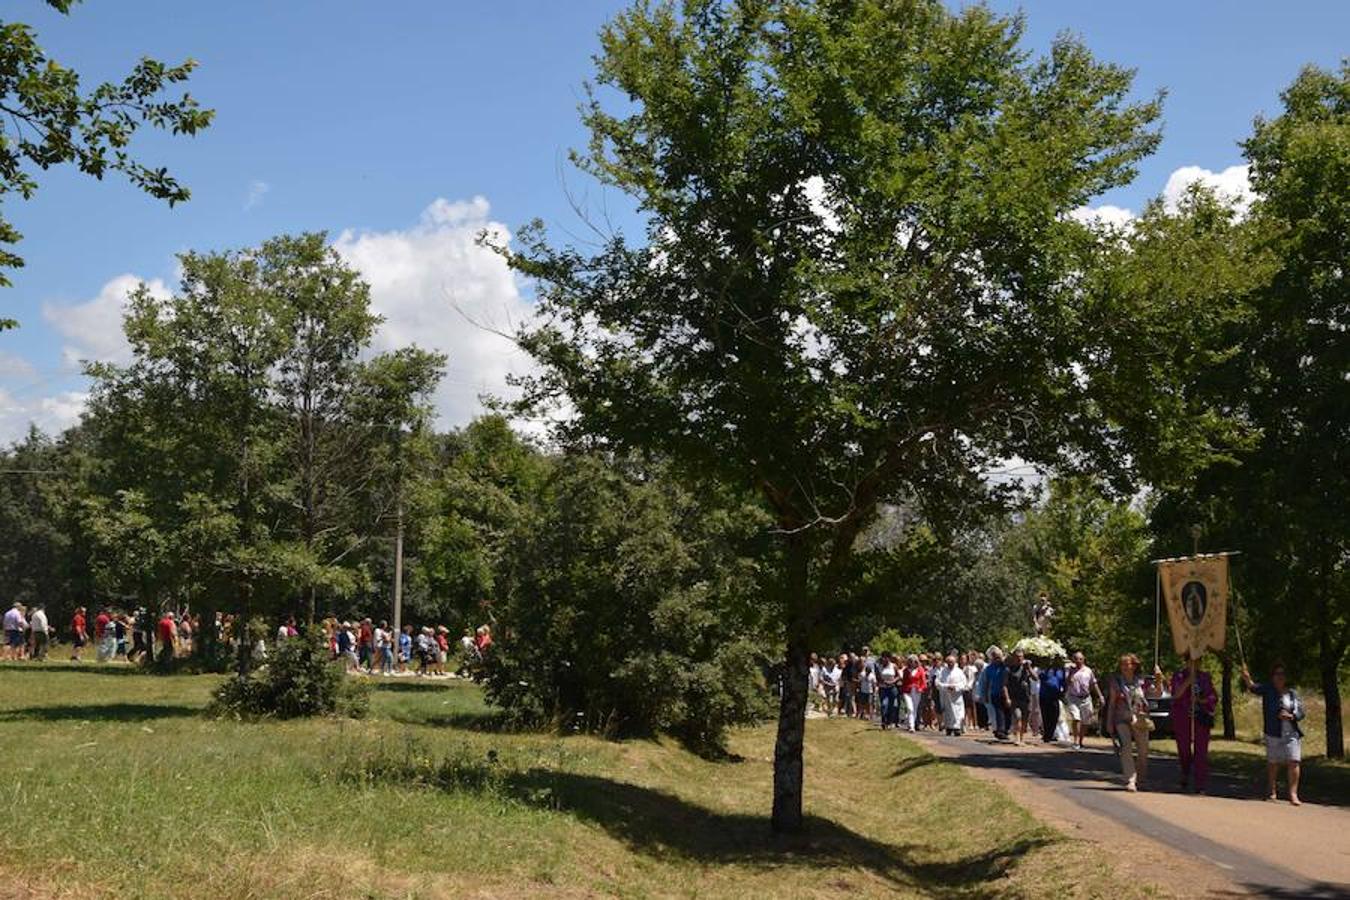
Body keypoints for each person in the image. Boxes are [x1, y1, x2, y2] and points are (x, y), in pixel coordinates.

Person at [1241, 662, 1305, 806]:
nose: (1280, 677)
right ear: (1272, 676)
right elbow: (1253, 688)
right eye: (1277, 674)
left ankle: (1293, 794)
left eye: (1282, 674)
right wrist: (1246, 678)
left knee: (1294, 761)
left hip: (1291, 732)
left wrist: (1291, 716)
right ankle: (1272, 789)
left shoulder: (1292, 693)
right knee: (1273, 762)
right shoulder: (1268, 689)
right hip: (1273, 731)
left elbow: (1301, 712)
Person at [1106, 654, 1159, 792]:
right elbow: (1111, 703)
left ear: (1134, 666)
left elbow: (1157, 694)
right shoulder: (1116, 681)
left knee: (1143, 750)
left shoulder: (1142, 681)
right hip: (1121, 718)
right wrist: (1109, 722)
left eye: (1127, 664)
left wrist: (1159, 679)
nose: (1124, 667)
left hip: (1140, 719)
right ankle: (1130, 779)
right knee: (1126, 747)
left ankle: (1141, 779)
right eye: (1122, 664)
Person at [1171, 657, 1218, 794]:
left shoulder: (1205, 677)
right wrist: (1188, 681)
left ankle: (1200, 784)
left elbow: (1213, 697)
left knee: (1201, 751)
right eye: (1191, 662)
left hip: (1201, 717)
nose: (1194, 665)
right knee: (1184, 748)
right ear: (1186, 662)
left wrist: (1202, 700)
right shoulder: (1179, 676)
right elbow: (1176, 694)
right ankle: (1185, 771)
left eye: (1197, 662)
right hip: (1183, 717)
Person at [1065, 651, 1101, 750]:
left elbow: (1094, 684)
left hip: (1085, 698)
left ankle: (1081, 741)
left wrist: (1100, 696)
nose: (1078, 661)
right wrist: (1071, 674)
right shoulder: (1070, 670)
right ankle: (1076, 741)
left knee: (1086, 721)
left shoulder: (1088, 671)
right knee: (1076, 718)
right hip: (1073, 697)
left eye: (1080, 659)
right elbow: (1067, 683)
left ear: (1084, 659)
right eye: (1076, 659)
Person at [1006, 650, 1035, 745]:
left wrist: (1029, 668)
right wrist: (1007, 698)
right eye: (1017, 657)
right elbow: (1005, 685)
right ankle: (1017, 738)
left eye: (1021, 657)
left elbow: (1036, 678)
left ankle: (1022, 738)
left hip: (1025, 697)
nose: (1019, 659)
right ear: (1013, 658)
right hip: (1014, 697)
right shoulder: (1009, 669)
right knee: (1017, 716)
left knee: (1025, 718)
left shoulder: (1026, 668)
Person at [937, 654, 967, 736]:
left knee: (958, 712)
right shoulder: (942, 672)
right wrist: (946, 686)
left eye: (952, 662)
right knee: (948, 712)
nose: (950, 664)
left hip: (956, 696)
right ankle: (949, 727)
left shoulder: (959, 672)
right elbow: (937, 683)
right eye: (949, 662)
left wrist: (956, 687)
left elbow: (964, 683)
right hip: (946, 695)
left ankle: (957, 728)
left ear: (955, 662)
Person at [1039, 656, 1067, 743]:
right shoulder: (1045, 670)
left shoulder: (1060, 671)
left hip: (1055, 696)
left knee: (1055, 715)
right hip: (1044, 696)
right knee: (1046, 716)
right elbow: (1040, 677)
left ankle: (1050, 734)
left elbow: (1064, 682)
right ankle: (1047, 735)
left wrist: (1064, 692)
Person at [985, 647, 1009, 739]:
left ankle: (1006, 729)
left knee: (1007, 712)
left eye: (998, 657)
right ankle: (1001, 730)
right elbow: (987, 682)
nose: (997, 659)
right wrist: (986, 694)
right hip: (995, 692)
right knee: (999, 712)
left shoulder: (1005, 667)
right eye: (995, 657)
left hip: (1006, 693)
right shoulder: (989, 668)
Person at [902, 654, 926, 732]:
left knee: (914, 709)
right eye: (911, 661)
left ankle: (911, 725)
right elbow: (904, 682)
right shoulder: (906, 670)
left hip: (916, 691)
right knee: (909, 708)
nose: (912, 663)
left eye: (914, 661)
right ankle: (911, 724)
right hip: (907, 691)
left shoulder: (920, 670)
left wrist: (921, 688)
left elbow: (923, 682)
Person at [878, 653, 901, 729]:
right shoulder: (880, 666)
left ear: (888, 658)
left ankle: (889, 722)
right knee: (884, 705)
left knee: (891, 706)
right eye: (883, 658)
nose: (884, 659)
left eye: (885, 658)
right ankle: (883, 720)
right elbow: (878, 676)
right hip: (883, 688)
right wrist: (881, 681)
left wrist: (892, 681)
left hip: (892, 688)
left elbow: (898, 676)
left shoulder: (893, 666)